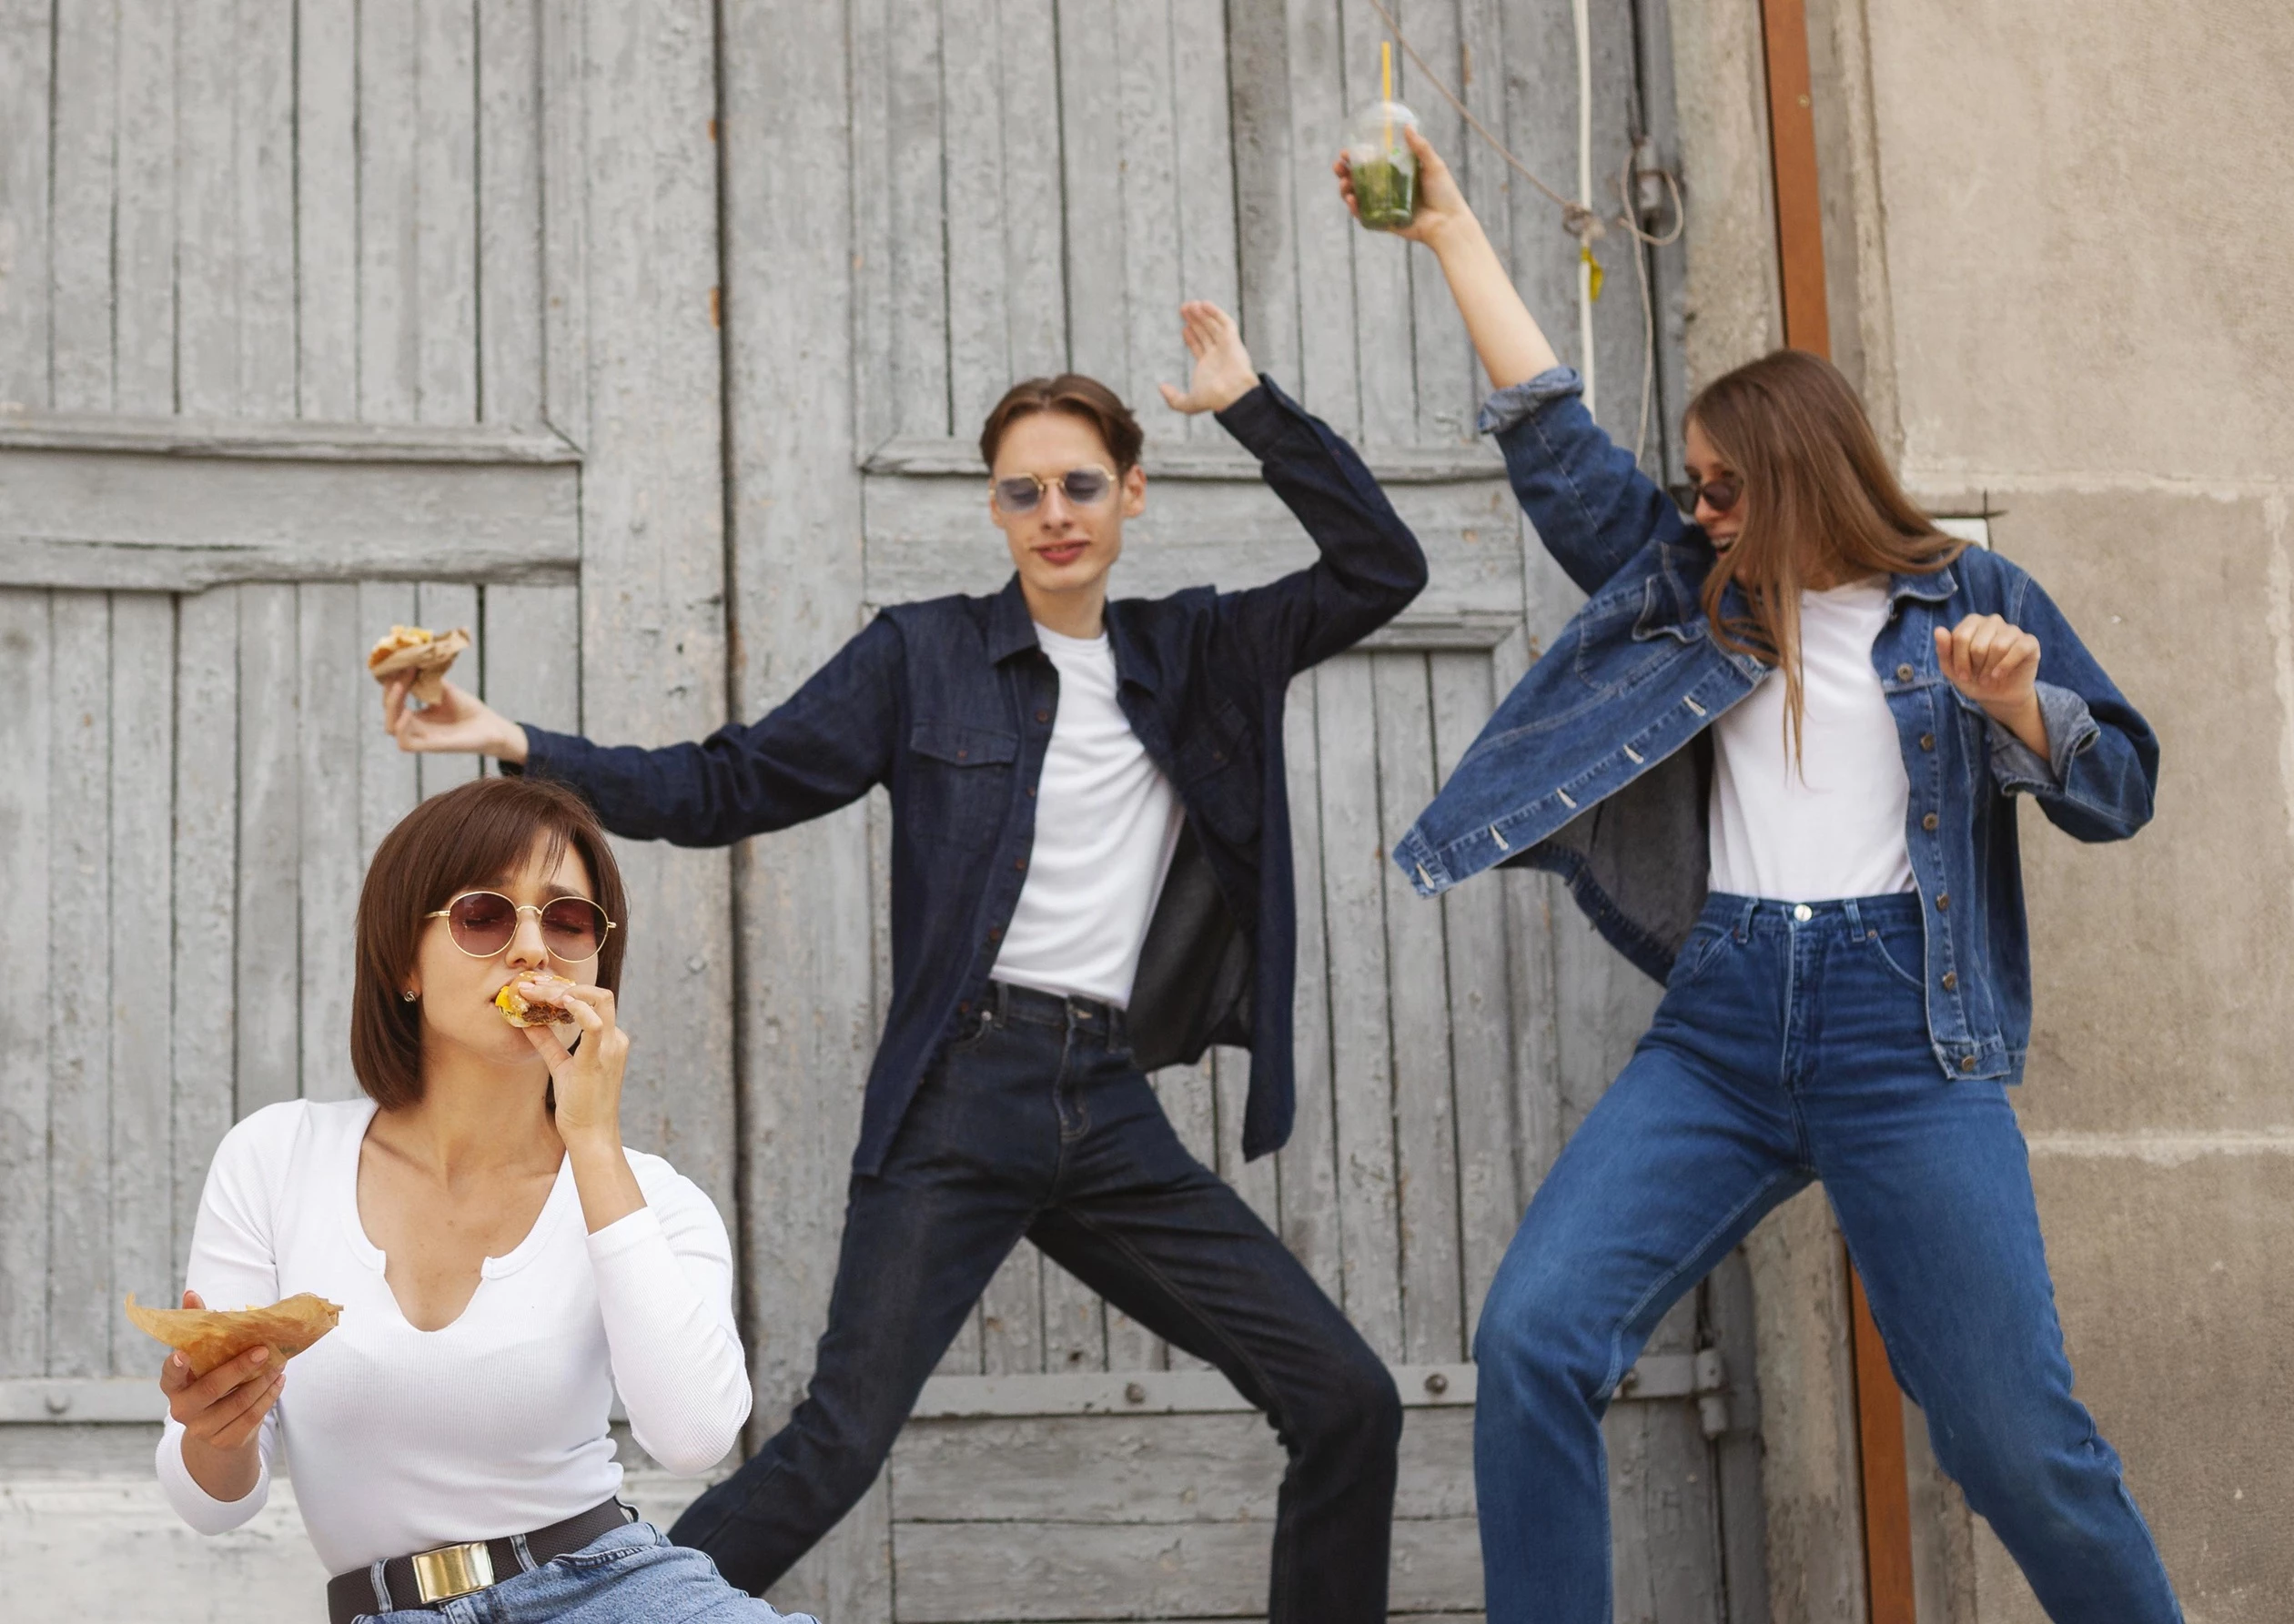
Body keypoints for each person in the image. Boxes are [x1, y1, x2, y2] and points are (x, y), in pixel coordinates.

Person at [381, 300, 1425, 1622]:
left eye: (1080, 484)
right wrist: (517, 739)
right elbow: (728, 784)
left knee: (1346, 1399)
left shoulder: (1201, 652)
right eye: (1022, 491)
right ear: (994, 509)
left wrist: (1250, 407)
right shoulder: (924, 657)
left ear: (1131, 492)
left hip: (1105, 1102)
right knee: (837, 1442)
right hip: (962, 1092)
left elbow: (1382, 567)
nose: (1053, 513)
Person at [1339, 132, 2181, 1624]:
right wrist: (1454, 229)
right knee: (1534, 1339)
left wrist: (2018, 707)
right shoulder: (1691, 590)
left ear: (1802, 472)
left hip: (1909, 1043)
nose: (1701, 512)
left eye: (1724, 486)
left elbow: (2118, 790)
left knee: (2014, 1441)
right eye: (1693, 487)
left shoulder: (1975, 596)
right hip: (1723, 1031)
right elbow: (1551, 439)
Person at [154, 776, 808, 1623]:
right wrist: (216, 1428)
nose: (533, 948)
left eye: (567, 920)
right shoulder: (275, 1158)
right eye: (484, 915)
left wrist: (592, 1139)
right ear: (404, 961)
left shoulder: (650, 1198)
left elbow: (693, 1436)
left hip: (614, 1590)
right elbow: (213, 1505)